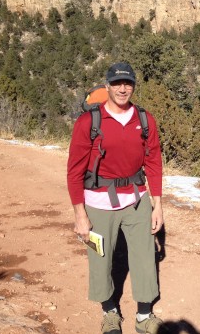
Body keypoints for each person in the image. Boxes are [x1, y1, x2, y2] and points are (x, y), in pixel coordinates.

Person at [67, 62, 165, 334]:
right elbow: (74, 170)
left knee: (145, 257)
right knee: (101, 259)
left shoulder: (144, 120)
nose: (123, 88)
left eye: (128, 83)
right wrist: (80, 215)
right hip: (97, 203)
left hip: (136, 201)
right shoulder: (90, 121)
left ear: (133, 85)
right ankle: (110, 313)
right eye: (117, 83)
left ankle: (144, 316)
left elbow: (154, 163)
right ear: (107, 85)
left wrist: (157, 205)